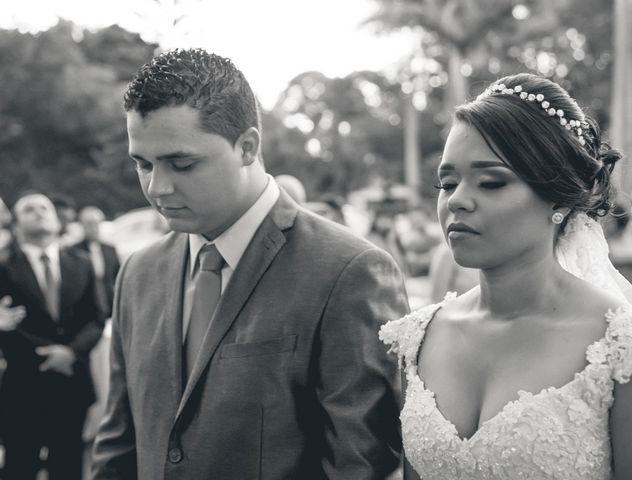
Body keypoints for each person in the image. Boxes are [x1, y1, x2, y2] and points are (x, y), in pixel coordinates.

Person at [91, 48, 408, 480]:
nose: (157, 188)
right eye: (142, 164)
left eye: (181, 163)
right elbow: (118, 442)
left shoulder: (349, 271)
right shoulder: (137, 273)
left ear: (247, 146)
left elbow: (360, 465)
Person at [380, 73, 632, 479]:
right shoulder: (418, 338)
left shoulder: (621, 345)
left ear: (556, 194)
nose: (458, 201)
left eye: (491, 182)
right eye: (447, 183)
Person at [0, 192, 104, 480]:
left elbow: (96, 317)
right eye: (29, 209)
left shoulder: (82, 263)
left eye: (44, 207)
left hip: (71, 380)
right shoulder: (4, 265)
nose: (39, 212)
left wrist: (70, 353)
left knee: (68, 463)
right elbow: (5, 322)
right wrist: (47, 353)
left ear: (58, 220)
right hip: (23, 383)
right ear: (16, 224)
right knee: (20, 464)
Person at [72, 206, 121, 318]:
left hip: (110, 304)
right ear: (82, 225)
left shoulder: (110, 249)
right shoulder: (74, 251)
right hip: (86, 307)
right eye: (89, 224)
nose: (93, 227)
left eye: (96, 223)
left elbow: (117, 276)